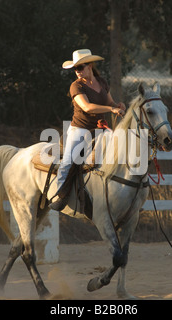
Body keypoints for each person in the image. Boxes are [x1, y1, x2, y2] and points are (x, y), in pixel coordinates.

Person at [49, 49, 126, 211]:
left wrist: (117, 106)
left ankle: (124, 194)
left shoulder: (102, 82)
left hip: (100, 129)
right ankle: (59, 194)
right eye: (75, 69)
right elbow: (87, 107)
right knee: (68, 161)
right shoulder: (76, 86)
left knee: (122, 154)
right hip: (81, 129)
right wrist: (111, 110)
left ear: (90, 65)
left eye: (80, 67)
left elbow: (110, 102)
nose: (77, 72)